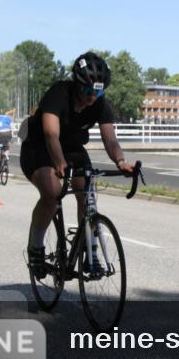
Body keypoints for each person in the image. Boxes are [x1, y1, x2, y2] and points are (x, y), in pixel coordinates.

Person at [20, 52, 134, 277]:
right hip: (39, 147)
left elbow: (110, 139)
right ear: (77, 84)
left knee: (87, 194)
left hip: (72, 147)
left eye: (98, 92)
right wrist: (59, 162)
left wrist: (121, 161)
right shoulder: (59, 92)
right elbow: (51, 135)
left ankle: (89, 250)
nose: (92, 97)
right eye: (88, 91)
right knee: (52, 193)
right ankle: (36, 247)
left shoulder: (99, 103)